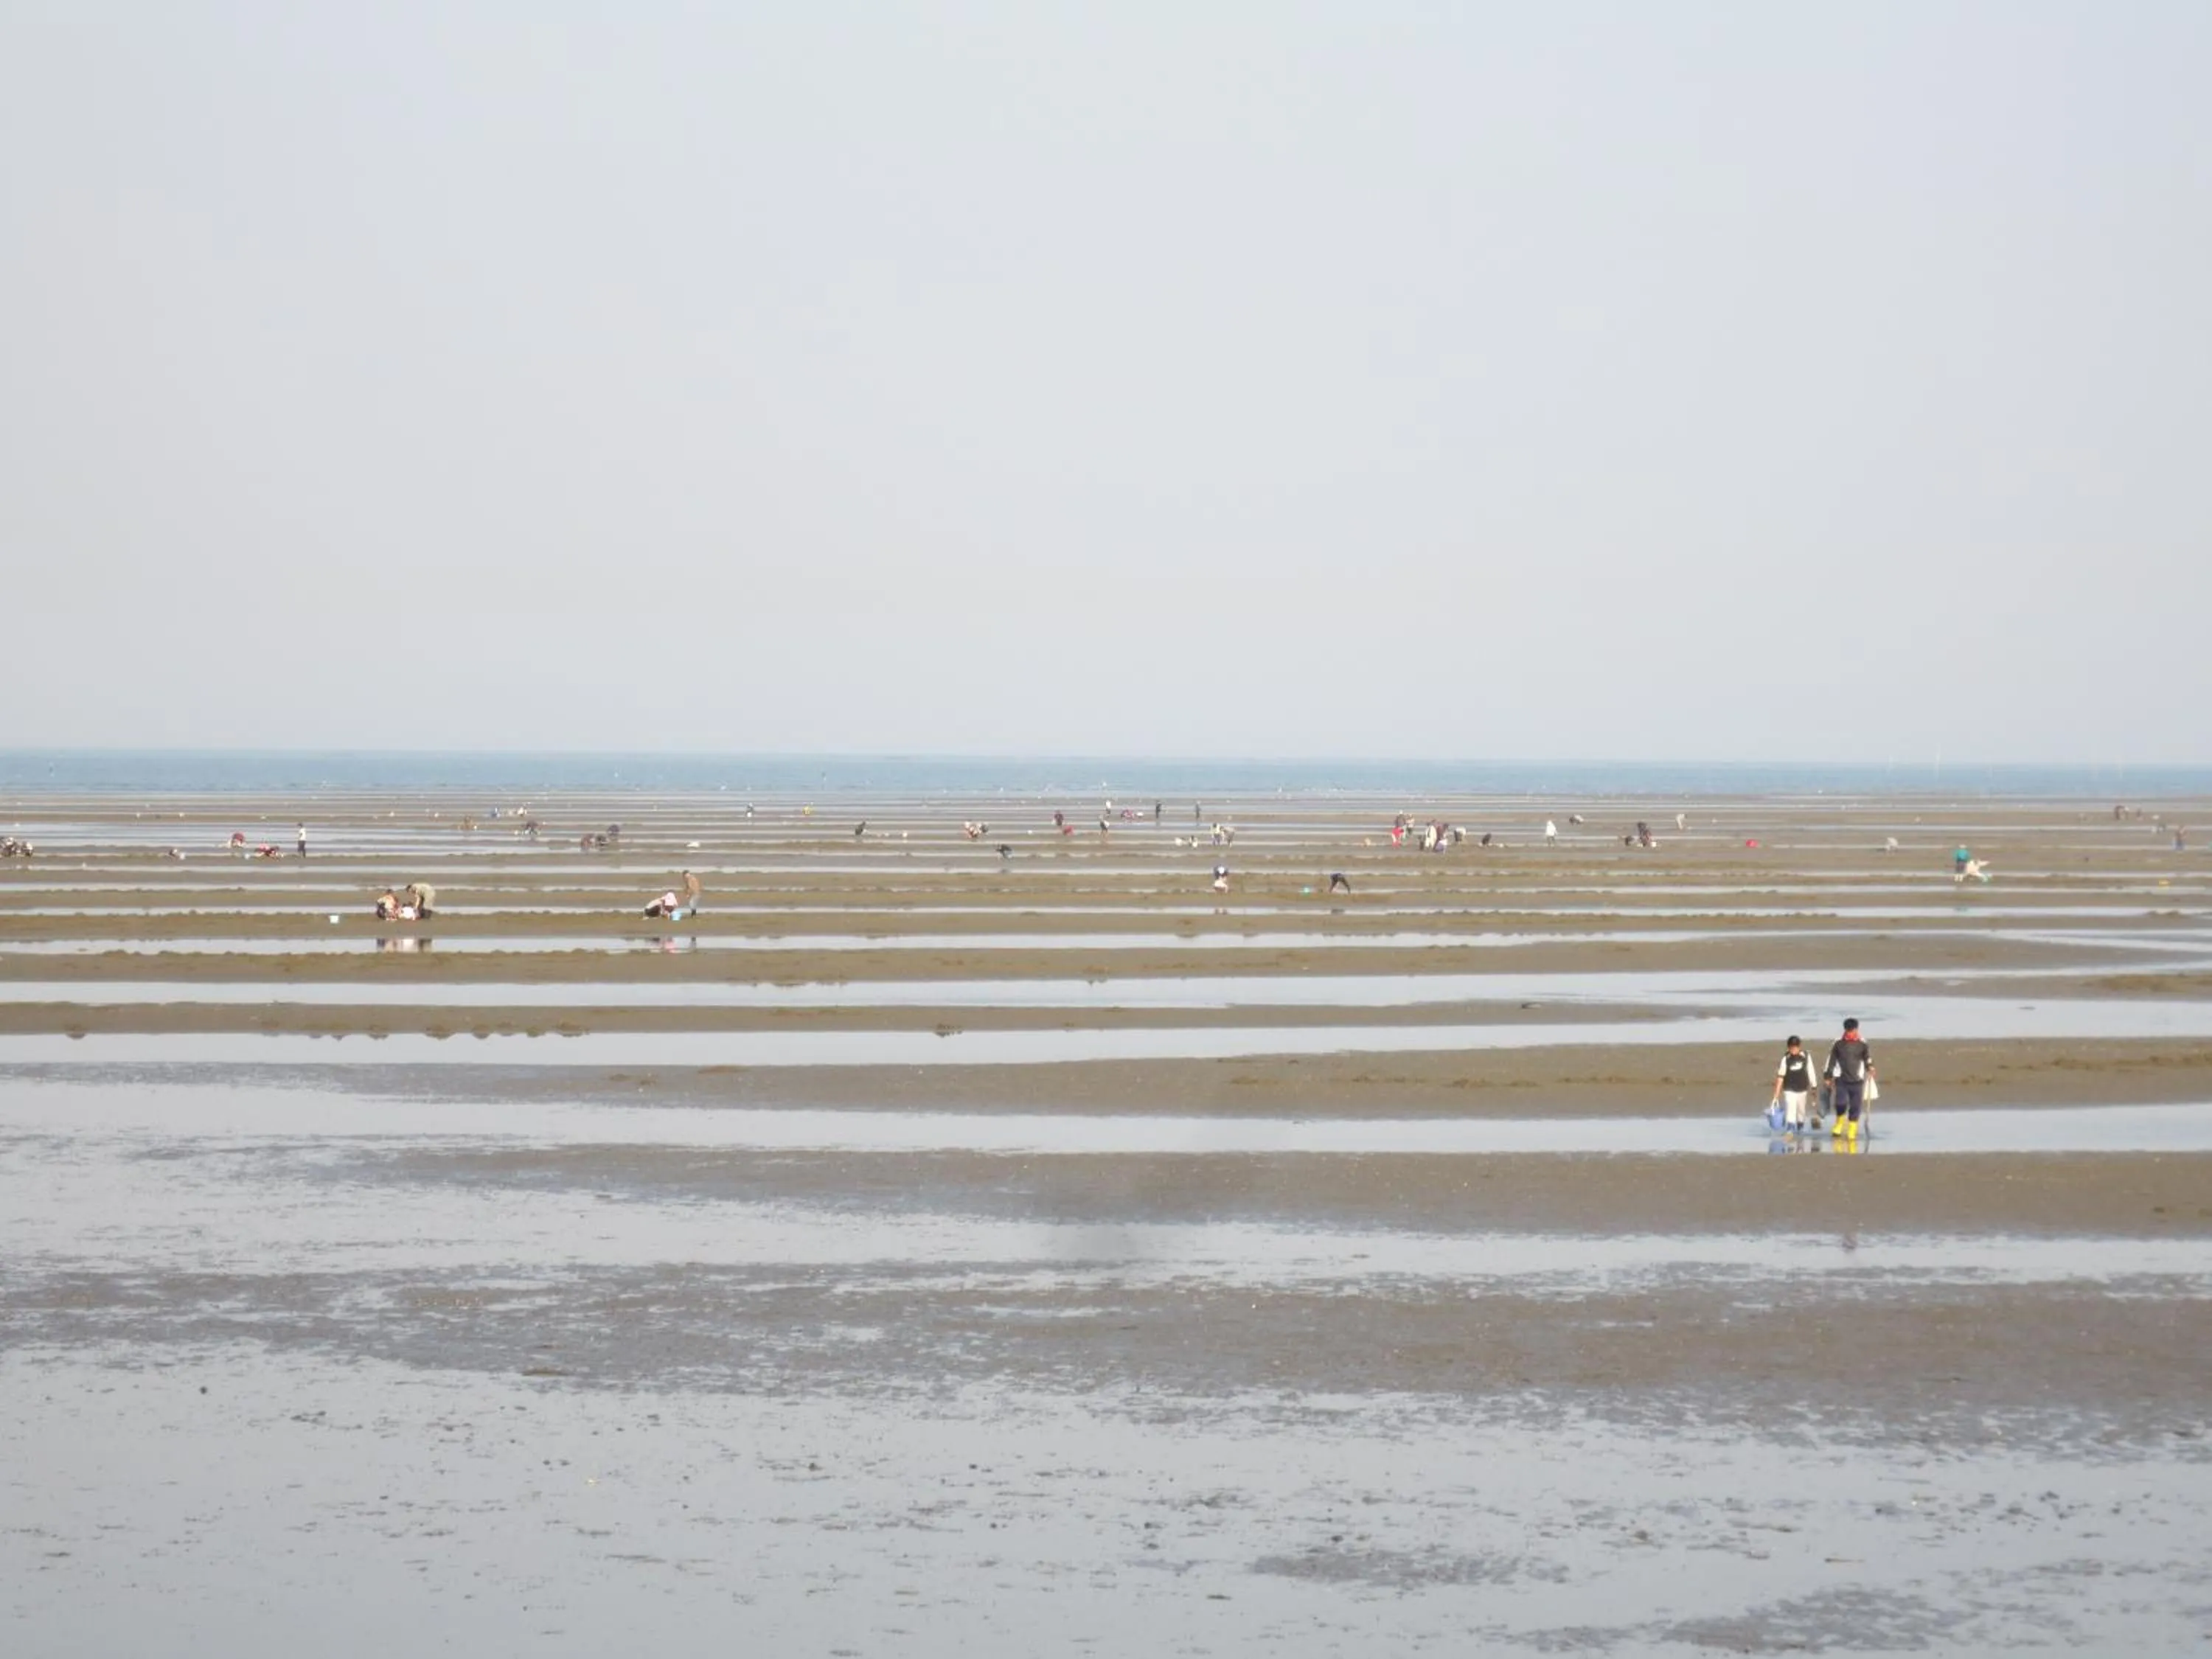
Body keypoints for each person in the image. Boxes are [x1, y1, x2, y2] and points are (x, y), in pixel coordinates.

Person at [1827, 1018, 1874, 1141]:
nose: (1850, 1033)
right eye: (1848, 1030)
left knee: (1855, 1106)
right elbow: (1831, 1060)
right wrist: (1828, 1076)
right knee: (1840, 1103)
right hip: (1841, 1079)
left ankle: (1852, 1130)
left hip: (1857, 1080)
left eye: (1852, 1030)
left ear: (1856, 1030)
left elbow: (1867, 1058)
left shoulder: (1862, 1043)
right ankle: (1839, 1123)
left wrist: (1870, 1067)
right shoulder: (1838, 1043)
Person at [1770, 1034, 1818, 1133]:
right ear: (1788, 1047)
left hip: (1803, 1089)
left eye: (1796, 1047)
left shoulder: (1806, 1057)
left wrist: (1814, 1087)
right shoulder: (1785, 1059)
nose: (1794, 1050)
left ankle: (1800, 1130)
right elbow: (1780, 1077)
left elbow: (1811, 1072)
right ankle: (1790, 1132)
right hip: (1789, 1090)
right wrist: (1776, 1096)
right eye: (1791, 1047)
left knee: (1801, 1112)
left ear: (1799, 1047)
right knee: (1790, 1110)